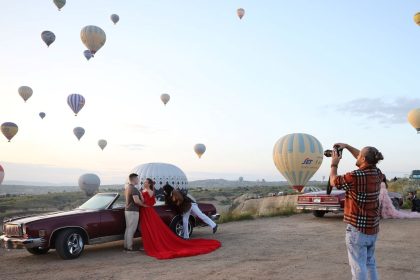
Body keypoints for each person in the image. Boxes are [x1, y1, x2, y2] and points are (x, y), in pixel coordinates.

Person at [330, 143, 384, 280]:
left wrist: (334, 164)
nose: (357, 155)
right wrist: (347, 147)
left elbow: (333, 181)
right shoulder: (377, 173)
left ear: (364, 159)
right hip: (372, 228)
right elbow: (366, 158)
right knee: (370, 263)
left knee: (358, 267)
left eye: (359, 155)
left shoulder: (355, 176)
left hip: (357, 230)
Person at [139, 178, 221, 259]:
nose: (163, 191)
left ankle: (213, 225)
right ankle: (186, 236)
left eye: (164, 190)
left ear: (167, 189)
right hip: (186, 207)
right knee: (186, 220)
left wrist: (177, 204)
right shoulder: (169, 194)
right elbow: (169, 202)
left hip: (190, 205)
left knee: (200, 215)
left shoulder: (175, 192)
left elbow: (180, 199)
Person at [124, 173, 148, 252]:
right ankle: (130, 248)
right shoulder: (133, 189)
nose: (138, 180)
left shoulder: (127, 188)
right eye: (137, 179)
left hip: (127, 210)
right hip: (133, 211)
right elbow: (136, 201)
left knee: (128, 229)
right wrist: (143, 205)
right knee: (132, 229)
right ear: (134, 179)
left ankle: (126, 246)